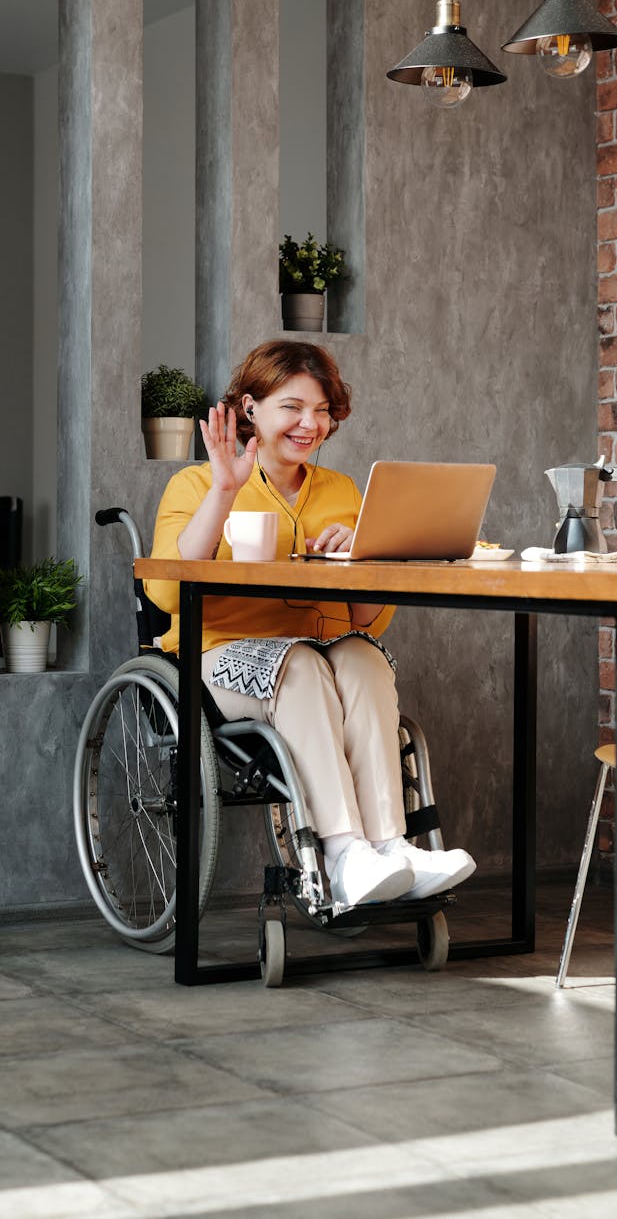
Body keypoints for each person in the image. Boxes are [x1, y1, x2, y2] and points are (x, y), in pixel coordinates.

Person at [145, 339, 475, 908]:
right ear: (251, 409)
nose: (310, 423)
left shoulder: (343, 492)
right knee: (299, 667)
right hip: (218, 658)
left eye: (321, 410)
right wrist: (225, 490)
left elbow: (366, 620)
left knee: (365, 658)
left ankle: (392, 849)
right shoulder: (197, 485)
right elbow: (168, 592)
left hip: (322, 653)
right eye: (293, 407)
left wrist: (366, 558)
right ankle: (345, 853)